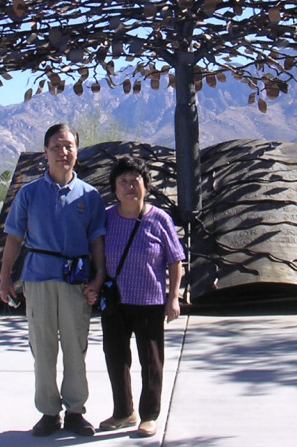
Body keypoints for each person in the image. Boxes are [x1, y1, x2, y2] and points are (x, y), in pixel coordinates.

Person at [0, 123, 107, 438]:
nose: (63, 152)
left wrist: (99, 277)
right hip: (38, 278)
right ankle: (48, 411)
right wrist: (5, 278)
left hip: (77, 281)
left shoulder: (90, 195)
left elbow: (97, 241)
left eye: (69, 146)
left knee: (76, 346)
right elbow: (14, 238)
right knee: (43, 348)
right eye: (56, 146)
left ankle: (75, 410)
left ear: (77, 152)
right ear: (45, 152)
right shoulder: (29, 193)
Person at [90, 156, 184, 438]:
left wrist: (173, 298)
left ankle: (149, 416)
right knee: (116, 358)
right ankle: (123, 412)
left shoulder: (159, 219)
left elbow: (175, 261)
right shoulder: (107, 218)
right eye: (123, 181)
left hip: (149, 301)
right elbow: (97, 255)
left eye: (135, 180)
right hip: (115, 302)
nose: (130, 186)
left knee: (151, 362)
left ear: (146, 186)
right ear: (115, 188)